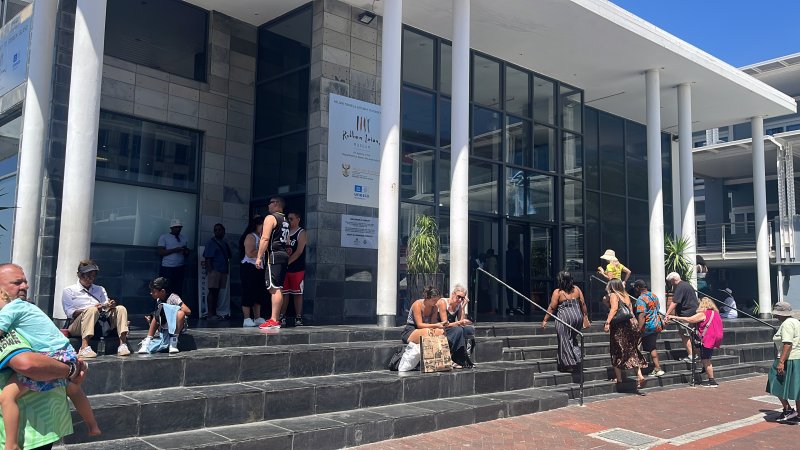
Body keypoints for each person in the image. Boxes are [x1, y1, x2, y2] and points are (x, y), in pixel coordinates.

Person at [0, 263, 88, 450]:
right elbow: (28, 365)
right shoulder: (7, 320)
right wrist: (70, 370)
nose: (25, 286)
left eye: (25, 281)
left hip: (41, 423)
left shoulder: (21, 313)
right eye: (17, 282)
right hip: (28, 429)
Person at [61, 260, 131, 358]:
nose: (90, 279)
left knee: (121, 308)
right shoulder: (69, 290)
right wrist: (90, 309)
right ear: (79, 275)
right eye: (88, 276)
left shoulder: (100, 289)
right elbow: (70, 313)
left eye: (93, 276)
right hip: (78, 325)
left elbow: (105, 307)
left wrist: (110, 306)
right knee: (91, 310)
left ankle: (122, 344)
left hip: (100, 323)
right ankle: (84, 347)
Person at [668, 297, 724, 387]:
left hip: (708, 338)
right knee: (703, 354)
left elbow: (689, 319)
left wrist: (674, 317)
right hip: (715, 338)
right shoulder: (715, 313)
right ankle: (703, 367)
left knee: (706, 359)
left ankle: (712, 380)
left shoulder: (704, 313)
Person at [542, 271, 589, 373]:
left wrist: (545, 320)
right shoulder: (577, 289)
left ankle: (569, 365)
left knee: (564, 340)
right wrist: (585, 317)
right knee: (572, 338)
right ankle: (577, 357)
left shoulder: (558, 292)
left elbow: (552, 307)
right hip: (578, 318)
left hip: (564, 318)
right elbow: (583, 304)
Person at [256, 196, 291, 329]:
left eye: (270, 203)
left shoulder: (271, 218)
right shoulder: (286, 220)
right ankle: (276, 318)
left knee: (273, 287)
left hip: (274, 255)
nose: (268, 206)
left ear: (276, 204)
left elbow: (265, 238)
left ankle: (274, 319)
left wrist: (259, 257)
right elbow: (288, 242)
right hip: (283, 255)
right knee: (278, 287)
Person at [603, 278, 645, 388]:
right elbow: (630, 310)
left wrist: (607, 322)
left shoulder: (613, 295)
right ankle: (639, 375)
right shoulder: (625, 294)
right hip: (631, 323)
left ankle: (619, 378)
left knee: (616, 350)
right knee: (632, 349)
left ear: (611, 286)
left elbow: (614, 309)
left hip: (620, 325)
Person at [765, 301, 800, 422]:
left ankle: (788, 409)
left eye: (777, 314)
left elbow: (787, 343)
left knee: (774, 380)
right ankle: (797, 414)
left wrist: (781, 361)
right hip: (797, 357)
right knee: (797, 386)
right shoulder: (796, 321)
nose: (776, 316)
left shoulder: (787, 324)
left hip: (789, 358)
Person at [138, 277, 192, 354]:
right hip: (165, 326)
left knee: (181, 313)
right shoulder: (158, 300)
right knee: (157, 313)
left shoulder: (173, 297)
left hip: (177, 325)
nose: (151, 293)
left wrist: (171, 310)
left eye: (153, 291)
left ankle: (173, 341)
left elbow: (188, 311)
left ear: (162, 291)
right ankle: (148, 341)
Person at [632, 280, 665, 377]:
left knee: (636, 346)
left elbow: (642, 315)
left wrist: (639, 329)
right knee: (652, 346)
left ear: (638, 288)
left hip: (647, 326)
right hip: (656, 325)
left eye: (635, 288)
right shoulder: (654, 296)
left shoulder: (641, 299)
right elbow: (657, 308)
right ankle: (657, 368)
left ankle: (638, 371)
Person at [239, 215, 266, 327]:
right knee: (248, 291)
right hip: (249, 267)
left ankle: (257, 317)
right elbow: (249, 253)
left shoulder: (262, 237)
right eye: (262, 225)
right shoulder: (251, 236)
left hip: (259, 267)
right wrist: (262, 250)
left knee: (258, 292)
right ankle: (246, 318)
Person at [665, 271, 699, 362]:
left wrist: (667, 314)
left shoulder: (680, 287)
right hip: (693, 313)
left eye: (670, 281)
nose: (671, 284)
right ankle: (695, 354)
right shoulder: (687, 285)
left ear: (673, 279)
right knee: (691, 334)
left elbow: (675, 301)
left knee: (685, 335)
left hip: (686, 314)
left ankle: (691, 355)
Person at [281, 211, 307, 327]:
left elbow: (299, 251)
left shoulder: (301, 232)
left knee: (297, 293)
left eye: (292, 219)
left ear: (298, 219)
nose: (289, 221)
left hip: (297, 268)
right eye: (288, 219)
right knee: (284, 293)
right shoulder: (285, 232)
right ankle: (282, 316)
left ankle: (298, 317)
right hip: (285, 268)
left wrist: (288, 262)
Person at [202, 223, 232, 320]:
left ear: (224, 231)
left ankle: (216, 312)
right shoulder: (211, 242)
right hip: (214, 271)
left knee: (218, 292)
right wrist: (210, 271)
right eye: (216, 230)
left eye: (220, 230)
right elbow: (207, 258)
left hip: (223, 271)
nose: (218, 232)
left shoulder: (223, 242)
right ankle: (210, 314)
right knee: (212, 291)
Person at [157, 218, 190, 297]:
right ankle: (164, 308)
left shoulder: (183, 238)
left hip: (180, 268)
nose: (178, 229)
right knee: (167, 290)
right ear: (171, 228)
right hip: (167, 268)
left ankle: (176, 308)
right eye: (176, 227)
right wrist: (175, 250)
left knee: (178, 290)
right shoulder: (164, 237)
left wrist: (186, 251)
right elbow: (160, 252)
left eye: (179, 227)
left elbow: (186, 254)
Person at [444, 284, 474, 368]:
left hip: (452, 328)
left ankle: (461, 358)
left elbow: (461, 321)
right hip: (442, 328)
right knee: (459, 330)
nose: (460, 299)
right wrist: (459, 323)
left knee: (467, 329)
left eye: (462, 298)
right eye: (459, 297)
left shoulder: (458, 305)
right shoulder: (444, 303)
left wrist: (463, 305)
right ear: (453, 294)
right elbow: (444, 324)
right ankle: (455, 358)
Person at [505, 241, 525, 316]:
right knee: (520, 292)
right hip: (517, 276)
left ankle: (511, 309)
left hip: (509, 276)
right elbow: (521, 264)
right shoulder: (517, 253)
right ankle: (519, 307)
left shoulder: (506, 254)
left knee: (510, 293)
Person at [484, 249, 499, 315]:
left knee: (493, 295)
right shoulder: (494, 260)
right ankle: (494, 309)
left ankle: (493, 309)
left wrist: (489, 280)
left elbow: (491, 272)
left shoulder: (491, 260)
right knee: (493, 295)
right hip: (494, 279)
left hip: (493, 280)